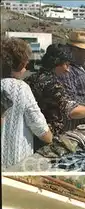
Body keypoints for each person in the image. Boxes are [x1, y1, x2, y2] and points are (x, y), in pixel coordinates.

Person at [26, 44, 85, 142]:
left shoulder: (32, 78)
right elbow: (71, 110)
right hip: (46, 136)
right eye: (66, 65)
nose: (68, 69)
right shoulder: (50, 83)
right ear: (57, 63)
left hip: (34, 134)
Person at [1, 38, 53, 168]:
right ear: (19, 64)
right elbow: (39, 127)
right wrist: (51, 138)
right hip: (14, 161)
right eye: (25, 64)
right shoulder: (20, 88)